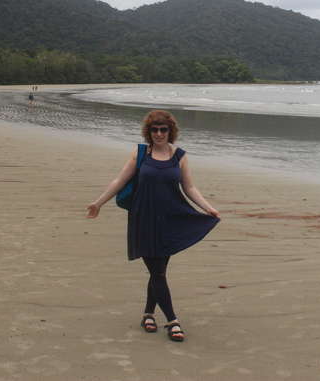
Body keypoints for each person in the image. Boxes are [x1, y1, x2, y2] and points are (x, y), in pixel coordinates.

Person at [85, 110, 220, 342]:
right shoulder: (140, 154)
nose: (158, 134)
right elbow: (120, 181)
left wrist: (208, 208)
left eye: (163, 129)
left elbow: (189, 188)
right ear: (149, 132)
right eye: (154, 130)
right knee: (157, 271)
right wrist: (98, 203)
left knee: (159, 272)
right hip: (143, 218)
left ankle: (148, 314)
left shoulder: (180, 156)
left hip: (169, 218)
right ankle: (172, 320)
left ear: (170, 131)